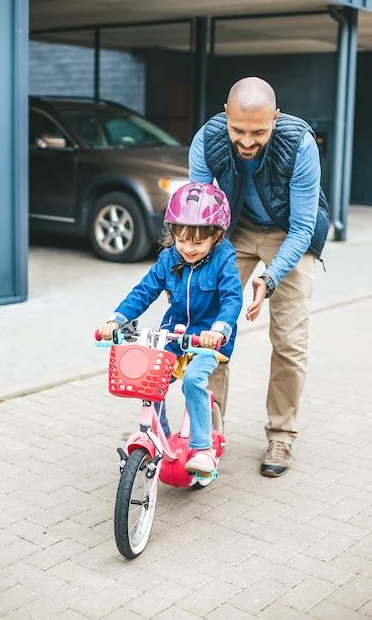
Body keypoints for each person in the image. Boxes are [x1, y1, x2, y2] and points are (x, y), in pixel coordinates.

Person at [189, 76, 329, 478]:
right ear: (225, 115)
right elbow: (199, 213)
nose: (247, 142)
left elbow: (303, 227)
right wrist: (189, 270)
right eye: (238, 130)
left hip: (290, 233)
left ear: (276, 118)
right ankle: (207, 434)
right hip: (232, 232)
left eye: (259, 132)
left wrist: (268, 281)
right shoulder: (207, 139)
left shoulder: (300, 144)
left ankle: (282, 434)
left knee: (288, 338)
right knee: (209, 331)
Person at [99, 182, 242, 475]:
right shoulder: (168, 259)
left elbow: (232, 298)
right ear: (173, 232)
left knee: (192, 381)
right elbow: (144, 291)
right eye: (182, 240)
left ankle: (203, 450)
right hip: (174, 335)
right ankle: (158, 434)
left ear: (216, 236)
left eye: (197, 243)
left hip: (206, 340)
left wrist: (218, 329)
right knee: (150, 378)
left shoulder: (224, 260)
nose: (188, 249)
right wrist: (117, 319)